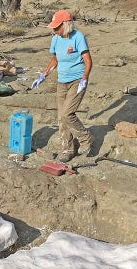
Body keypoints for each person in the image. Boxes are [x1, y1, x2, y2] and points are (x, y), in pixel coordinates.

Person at [31, 9, 94, 163]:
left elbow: (88, 60)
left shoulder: (78, 37)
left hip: (77, 81)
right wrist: (43, 75)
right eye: (53, 27)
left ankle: (86, 138)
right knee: (61, 118)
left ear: (66, 25)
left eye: (57, 27)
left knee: (67, 113)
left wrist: (84, 79)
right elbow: (55, 60)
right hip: (62, 81)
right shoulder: (56, 39)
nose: (54, 30)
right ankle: (68, 149)